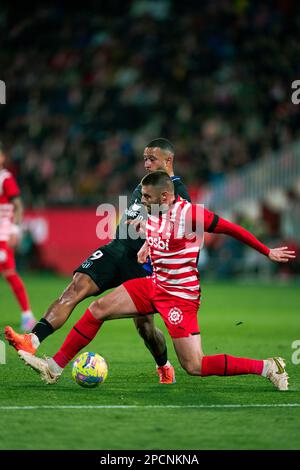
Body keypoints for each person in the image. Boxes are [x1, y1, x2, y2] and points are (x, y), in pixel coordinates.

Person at [18, 171, 295, 390]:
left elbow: (231, 229)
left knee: (194, 365)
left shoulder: (190, 214)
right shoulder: (153, 212)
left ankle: (268, 367)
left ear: (165, 196)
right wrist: (146, 246)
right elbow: (157, 233)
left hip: (180, 297)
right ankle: (54, 367)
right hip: (154, 285)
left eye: (147, 198)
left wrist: (267, 251)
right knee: (97, 309)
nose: (142, 202)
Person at [5, 138, 191, 383]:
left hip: (144, 265)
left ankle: (164, 365)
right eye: (144, 158)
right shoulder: (147, 183)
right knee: (75, 286)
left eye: (152, 159)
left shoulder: (179, 192)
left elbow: (183, 231)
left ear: (168, 160)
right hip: (117, 249)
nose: (146, 163)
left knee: (145, 328)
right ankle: (32, 340)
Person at [0, 143, 36, 331]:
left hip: (3, 233)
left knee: (9, 273)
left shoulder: (5, 178)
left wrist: (15, 230)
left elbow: (18, 205)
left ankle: (27, 315)